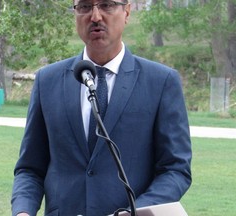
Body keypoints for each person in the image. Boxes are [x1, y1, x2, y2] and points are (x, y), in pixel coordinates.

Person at [11, 0, 192, 215]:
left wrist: (135, 212)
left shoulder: (161, 81)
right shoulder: (47, 81)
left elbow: (175, 169)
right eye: (85, 6)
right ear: (75, 13)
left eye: (106, 5)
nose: (95, 16)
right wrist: (23, 211)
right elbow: (30, 168)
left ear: (126, 12)